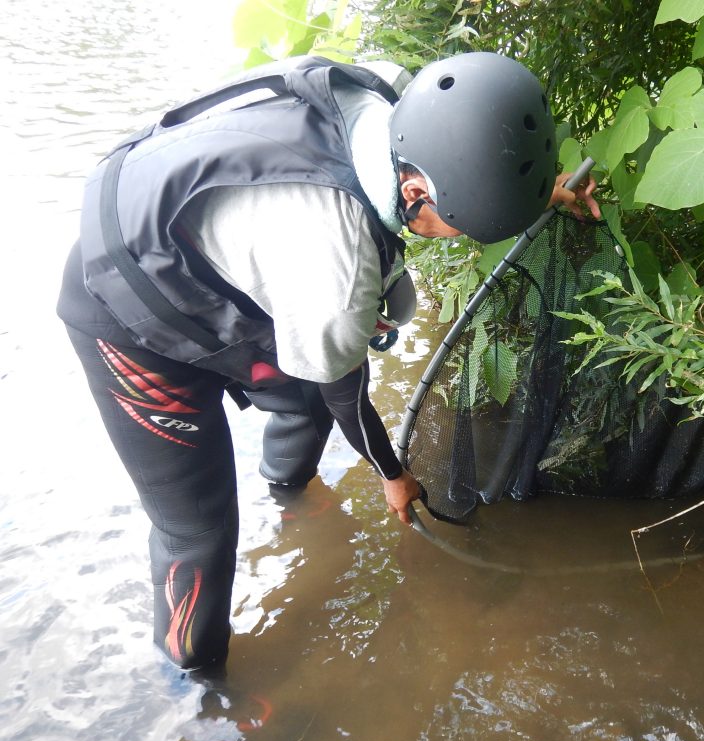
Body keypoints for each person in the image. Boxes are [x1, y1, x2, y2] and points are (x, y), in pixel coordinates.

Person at [56, 51, 598, 672]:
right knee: (198, 529)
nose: (462, 232)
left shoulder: (397, 101)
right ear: (416, 191)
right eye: (461, 222)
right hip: (125, 305)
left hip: (207, 246)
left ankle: (288, 490)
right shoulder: (335, 273)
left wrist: (537, 191)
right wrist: (394, 477)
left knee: (305, 387)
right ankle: (191, 680)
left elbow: (469, 173)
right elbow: (349, 396)